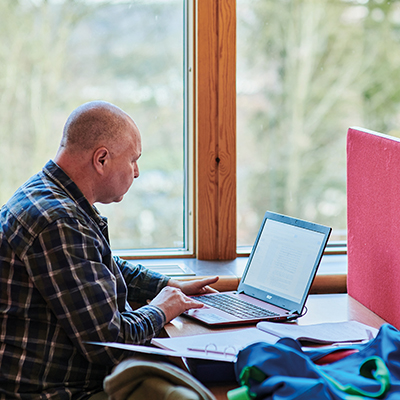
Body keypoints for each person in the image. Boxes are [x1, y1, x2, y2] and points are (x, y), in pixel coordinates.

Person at [0, 101, 219, 399]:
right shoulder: (59, 221)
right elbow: (110, 344)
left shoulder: (45, 194)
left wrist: (168, 285)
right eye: (133, 160)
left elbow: (98, 263)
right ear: (101, 159)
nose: (137, 172)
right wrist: (161, 309)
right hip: (56, 392)